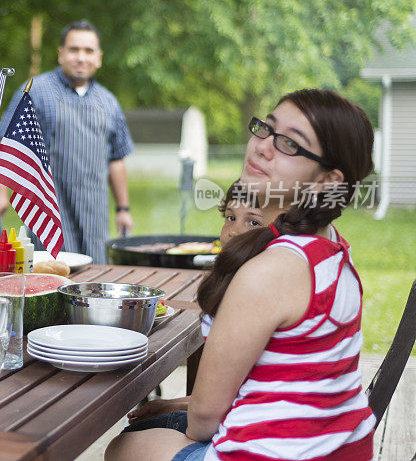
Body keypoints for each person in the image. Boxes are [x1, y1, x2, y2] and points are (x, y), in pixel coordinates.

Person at [106, 89, 375, 461]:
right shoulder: (331, 248)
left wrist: (181, 413)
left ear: (328, 181)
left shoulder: (270, 272)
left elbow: (203, 420)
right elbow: (276, 381)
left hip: (277, 453)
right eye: (266, 128)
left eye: (290, 145)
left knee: (123, 447)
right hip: (337, 447)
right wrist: (174, 407)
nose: (263, 146)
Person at [122, 180, 276, 434]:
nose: (233, 232)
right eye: (229, 217)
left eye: (253, 222)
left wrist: (189, 434)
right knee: (146, 427)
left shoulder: (251, 294)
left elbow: (208, 417)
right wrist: (172, 405)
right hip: (250, 411)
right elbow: (239, 390)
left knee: (126, 443)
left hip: (253, 432)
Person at [0, 20, 134, 263]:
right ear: (61, 54)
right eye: (74, 49)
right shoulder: (35, 91)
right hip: (50, 207)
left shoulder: (109, 102)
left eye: (88, 51)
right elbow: (7, 143)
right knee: (51, 277)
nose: (81, 57)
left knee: (94, 278)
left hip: (94, 210)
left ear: (98, 58)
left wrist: (123, 209)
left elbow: (117, 159)